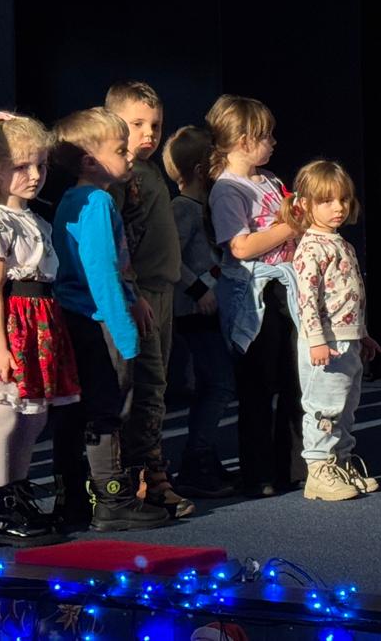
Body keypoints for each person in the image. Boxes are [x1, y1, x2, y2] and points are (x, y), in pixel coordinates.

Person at [47, 107, 173, 532]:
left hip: (74, 317)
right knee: (107, 410)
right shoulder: (98, 202)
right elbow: (101, 272)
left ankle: (72, 498)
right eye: (120, 150)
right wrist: (124, 333)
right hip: (97, 322)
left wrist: (131, 298)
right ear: (89, 161)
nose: (129, 156)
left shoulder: (72, 200)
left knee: (75, 412)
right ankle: (112, 500)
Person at [0, 112, 78, 546]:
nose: (35, 175)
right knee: (5, 414)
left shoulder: (37, 220)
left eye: (41, 165)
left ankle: (17, 490)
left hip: (41, 320)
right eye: (22, 166)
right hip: (13, 322)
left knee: (34, 416)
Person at [103, 80, 192, 519]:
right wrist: (131, 290)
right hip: (138, 295)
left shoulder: (151, 171)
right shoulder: (121, 177)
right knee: (142, 387)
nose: (148, 134)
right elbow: (116, 242)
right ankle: (139, 477)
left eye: (155, 125)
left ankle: (149, 471)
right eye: (137, 124)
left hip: (162, 290)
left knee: (157, 385)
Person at [207, 95, 304, 497]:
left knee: (293, 379)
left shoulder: (270, 180)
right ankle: (258, 472)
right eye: (266, 136)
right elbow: (241, 247)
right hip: (253, 295)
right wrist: (290, 228)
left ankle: (291, 465)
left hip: (285, 289)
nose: (273, 143)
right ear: (243, 140)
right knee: (258, 385)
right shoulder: (228, 189)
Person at [282, 160, 381, 500]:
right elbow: (307, 300)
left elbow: (351, 296)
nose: (338, 207)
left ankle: (340, 461)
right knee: (324, 406)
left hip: (347, 340)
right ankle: (319, 469)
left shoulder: (343, 244)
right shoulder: (310, 248)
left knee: (345, 405)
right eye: (327, 201)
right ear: (305, 205)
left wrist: (362, 333)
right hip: (325, 344)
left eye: (344, 199)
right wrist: (316, 341)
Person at [162, 125, 238, 499]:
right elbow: (171, 258)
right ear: (199, 170)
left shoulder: (202, 208)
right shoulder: (182, 209)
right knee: (218, 383)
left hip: (208, 310)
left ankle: (203, 456)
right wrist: (197, 290)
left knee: (215, 383)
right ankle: (197, 460)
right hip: (193, 311)